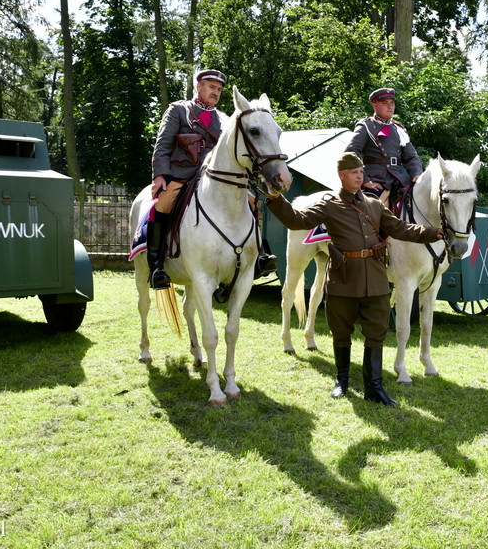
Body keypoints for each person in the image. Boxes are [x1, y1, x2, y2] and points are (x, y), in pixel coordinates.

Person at [264, 152, 444, 406]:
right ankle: (342, 381)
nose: (359, 176)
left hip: (376, 279)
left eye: (361, 172)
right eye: (353, 172)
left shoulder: (374, 204)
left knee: (376, 333)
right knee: (341, 333)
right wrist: (275, 198)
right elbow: (297, 220)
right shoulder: (329, 205)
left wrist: (433, 232)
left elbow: (400, 228)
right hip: (344, 279)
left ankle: (374, 387)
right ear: (341, 175)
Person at [146, 69, 277, 290]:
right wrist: (160, 174)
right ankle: (157, 267)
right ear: (198, 86)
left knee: (253, 202)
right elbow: (164, 143)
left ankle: (260, 256)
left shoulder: (225, 119)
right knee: (163, 204)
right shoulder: (178, 110)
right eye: (211, 87)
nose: (215, 92)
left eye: (219, 89)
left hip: (217, 178)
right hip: (183, 175)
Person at [345, 87, 424, 208]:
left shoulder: (399, 129)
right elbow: (351, 152)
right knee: (369, 212)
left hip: (400, 180)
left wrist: (417, 174)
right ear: (374, 105)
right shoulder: (366, 125)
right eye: (385, 103)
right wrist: (364, 180)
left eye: (392, 103)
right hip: (376, 181)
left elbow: (411, 157)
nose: (390, 106)